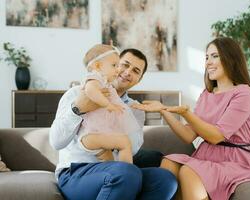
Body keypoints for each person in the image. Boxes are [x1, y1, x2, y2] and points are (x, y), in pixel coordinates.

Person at [132, 37, 250, 200]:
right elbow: (188, 136)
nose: (208, 63)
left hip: (235, 161)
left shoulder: (244, 93)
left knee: (188, 170)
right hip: (206, 156)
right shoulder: (206, 94)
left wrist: (187, 114)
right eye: (206, 57)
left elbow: (216, 136)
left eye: (214, 56)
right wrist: (163, 110)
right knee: (169, 162)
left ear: (230, 58)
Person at [49, 46, 177, 200]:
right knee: (126, 173)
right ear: (111, 64)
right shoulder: (78, 92)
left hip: (116, 169)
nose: (128, 72)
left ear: (139, 80)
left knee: (165, 180)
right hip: (76, 172)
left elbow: (133, 148)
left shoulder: (134, 109)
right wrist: (78, 109)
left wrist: (119, 119)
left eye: (136, 71)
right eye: (124, 64)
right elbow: (56, 142)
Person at [77, 44, 140, 163]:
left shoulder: (105, 82)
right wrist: (107, 105)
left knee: (111, 161)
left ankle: (121, 174)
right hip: (91, 134)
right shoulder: (94, 78)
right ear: (98, 66)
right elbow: (90, 91)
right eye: (114, 65)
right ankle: (127, 171)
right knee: (125, 142)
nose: (118, 69)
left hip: (97, 135)